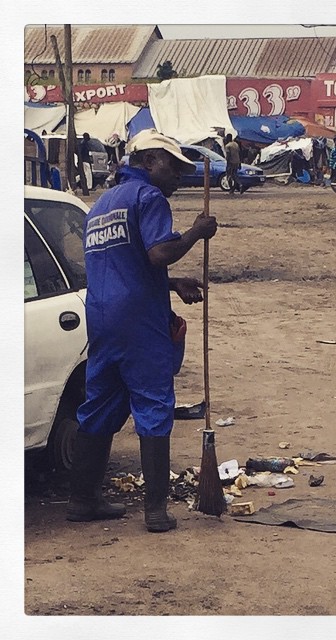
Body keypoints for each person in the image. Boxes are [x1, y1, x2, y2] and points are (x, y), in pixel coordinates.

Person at [66, 129, 218, 533]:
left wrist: (171, 282)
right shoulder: (147, 198)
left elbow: (122, 263)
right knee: (153, 405)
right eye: (173, 167)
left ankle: (82, 499)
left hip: (102, 320)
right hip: (140, 324)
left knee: (98, 407)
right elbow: (157, 253)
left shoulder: (100, 206)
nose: (179, 177)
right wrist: (196, 232)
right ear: (149, 162)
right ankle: (155, 511)